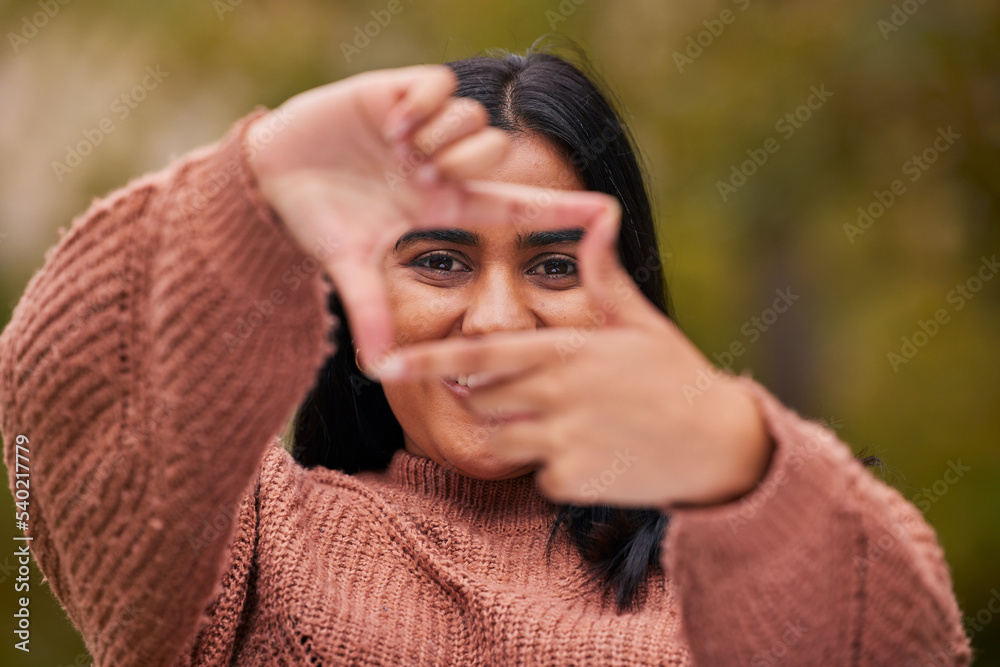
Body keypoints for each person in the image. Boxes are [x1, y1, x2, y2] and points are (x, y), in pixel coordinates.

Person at [0, 48, 971, 666]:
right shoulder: (247, 547)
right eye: (437, 260)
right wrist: (252, 186)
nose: (498, 319)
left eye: (554, 262)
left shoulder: (747, 553)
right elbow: (65, 404)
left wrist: (739, 458)